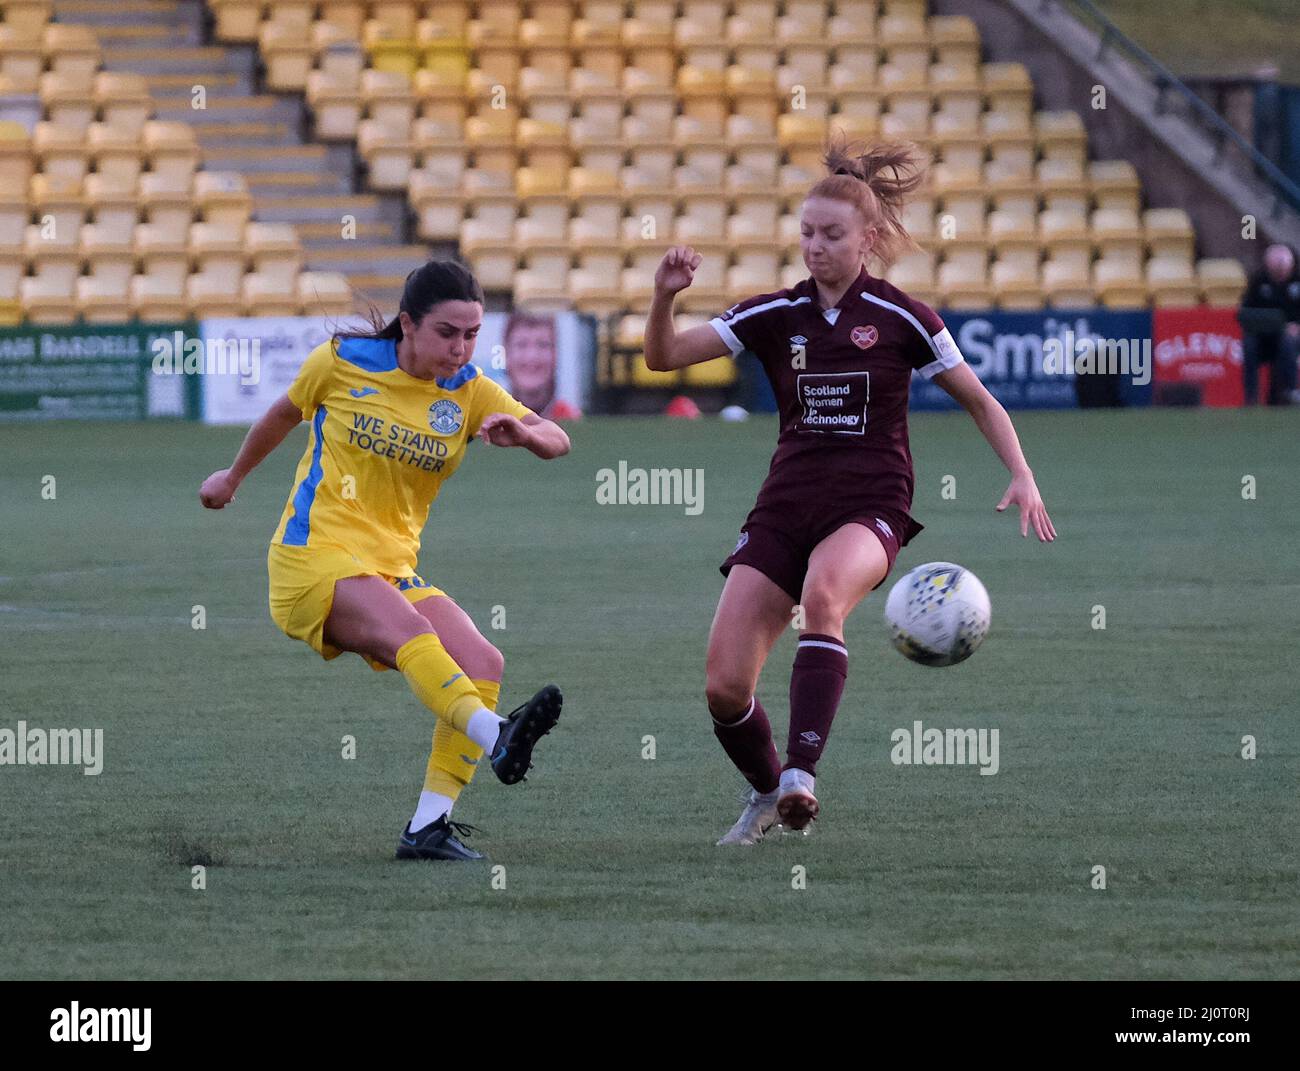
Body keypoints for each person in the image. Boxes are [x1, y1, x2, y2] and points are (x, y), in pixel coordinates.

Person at [642, 138, 1057, 845]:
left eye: (831, 234)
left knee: (825, 597)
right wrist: (663, 296)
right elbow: (662, 357)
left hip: (872, 502)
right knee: (723, 685)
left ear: (867, 239)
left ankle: (802, 775)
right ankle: (768, 790)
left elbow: (981, 401)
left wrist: (1021, 472)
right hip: (784, 503)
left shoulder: (904, 318)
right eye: (806, 232)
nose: (815, 246)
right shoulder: (771, 314)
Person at [198, 260, 571, 861]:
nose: (461, 347)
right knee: (415, 633)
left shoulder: (470, 390)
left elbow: (559, 438)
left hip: (389, 571)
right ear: (407, 324)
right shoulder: (342, 362)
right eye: (448, 332)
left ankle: (428, 826)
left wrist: (528, 436)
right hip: (311, 557)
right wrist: (232, 477)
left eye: (472, 334)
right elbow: (283, 414)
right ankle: (496, 734)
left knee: (482, 660)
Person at [1239, 243, 1300, 406]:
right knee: (1249, 344)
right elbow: (1245, 312)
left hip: (1290, 339)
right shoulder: (1258, 282)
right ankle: (1251, 397)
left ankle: (1290, 392)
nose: (1279, 274)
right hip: (1263, 338)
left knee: (1287, 342)